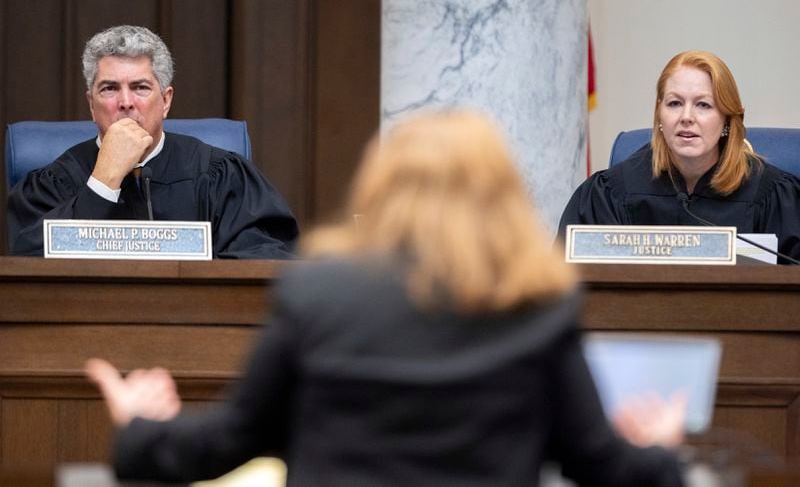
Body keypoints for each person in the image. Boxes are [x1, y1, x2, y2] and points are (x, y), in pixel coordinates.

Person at [86, 110, 687, 486]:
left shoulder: (316, 292)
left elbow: (227, 442)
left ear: (381, 188)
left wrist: (140, 428)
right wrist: (658, 452)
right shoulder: (536, 305)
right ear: (502, 197)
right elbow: (599, 464)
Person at [7, 25, 298, 259]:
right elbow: (30, 269)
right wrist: (103, 182)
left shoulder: (219, 174)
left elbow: (265, 257)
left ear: (166, 101)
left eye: (140, 87)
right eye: (109, 88)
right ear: (91, 105)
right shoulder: (53, 183)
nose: (125, 102)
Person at [559, 50, 800, 263]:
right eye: (674, 103)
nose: (686, 116)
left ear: (727, 119)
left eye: (703, 105)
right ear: (659, 115)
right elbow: (564, 286)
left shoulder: (773, 195)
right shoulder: (610, 193)